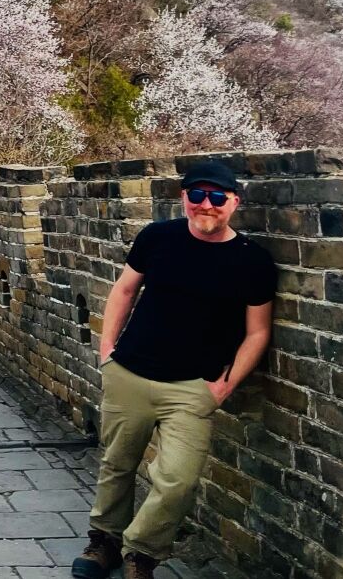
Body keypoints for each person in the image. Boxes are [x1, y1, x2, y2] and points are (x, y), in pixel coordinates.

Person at [72, 160, 275, 579]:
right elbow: (125, 288)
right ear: (183, 198)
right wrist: (107, 347)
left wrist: (226, 385)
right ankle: (104, 542)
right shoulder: (157, 237)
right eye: (197, 195)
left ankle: (142, 553)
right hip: (129, 372)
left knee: (178, 480)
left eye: (217, 197)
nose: (207, 204)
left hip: (192, 387)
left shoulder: (252, 260)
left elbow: (257, 332)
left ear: (234, 202)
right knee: (117, 463)